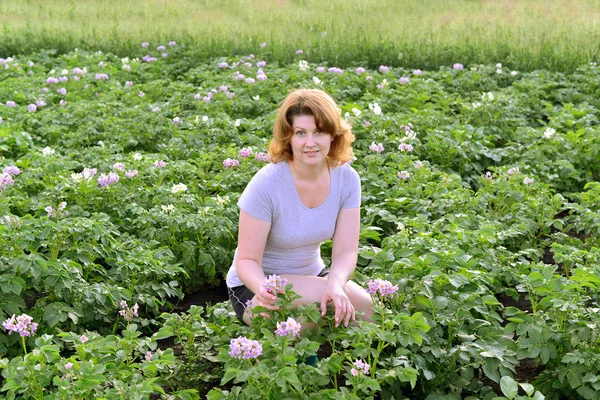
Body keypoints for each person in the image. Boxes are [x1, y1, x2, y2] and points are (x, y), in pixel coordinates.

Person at [226, 88, 373, 329]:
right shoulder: (268, 183)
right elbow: (246, 260)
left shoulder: (346, 179)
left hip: (313, 276)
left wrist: (336, 283)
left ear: (333, 135)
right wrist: (264, 290)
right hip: (256, 288)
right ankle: (303, 357)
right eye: (301, 133)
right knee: (310, 320)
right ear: (289, 137)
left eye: (319, 132)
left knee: (369, 310)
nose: (310, 143)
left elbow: (346, 250)